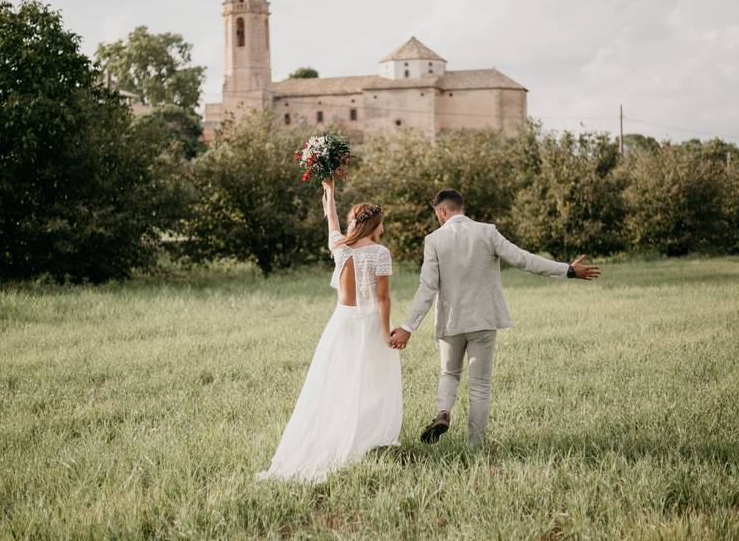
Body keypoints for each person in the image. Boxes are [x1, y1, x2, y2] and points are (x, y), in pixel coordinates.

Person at [389, 189, 600, 447]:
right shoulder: (487, 232)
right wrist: (566, 270)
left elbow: (427, 288)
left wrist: (408, 327)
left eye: (437, 214)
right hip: (483, 320)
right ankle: (474, 446)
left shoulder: (434, 240)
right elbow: (524, 260)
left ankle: (443, 412)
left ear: (442, 211)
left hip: (450, 322)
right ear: (461, 208)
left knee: (449, 373)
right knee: (479, 386)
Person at [257, 178, 401, 482]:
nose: (383, 229)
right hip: (370, 325)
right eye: (382, 224)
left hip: (342, 322)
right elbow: (383, 298)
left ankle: (343, 430)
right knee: (372, 382)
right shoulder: (380, 253)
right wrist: (387, 332)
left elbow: (332, 220)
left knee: (338, 381)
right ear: (376, 225)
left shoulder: (340, 247)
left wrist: (329, 192)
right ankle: (366, 435)